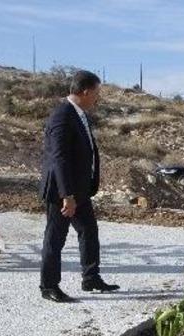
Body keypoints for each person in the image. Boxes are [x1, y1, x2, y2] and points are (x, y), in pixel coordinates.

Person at [39, 70, 119, 303]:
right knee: (55, 237)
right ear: (85, 91)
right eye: (96, 92)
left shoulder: (78, 114)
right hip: (63, 192)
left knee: (89, 231)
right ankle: (49, 286)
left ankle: (91, 277)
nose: (97, 97)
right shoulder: (62, 116)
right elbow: (59, 158)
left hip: (79, 190)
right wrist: (67, 195)